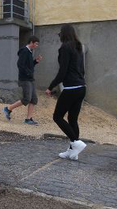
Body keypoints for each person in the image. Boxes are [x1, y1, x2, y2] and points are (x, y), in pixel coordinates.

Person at [45, 24, 86, 160]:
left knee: (57, 116)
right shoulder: (79, 46)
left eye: (60, 34)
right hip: (81, 87)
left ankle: (75, 142)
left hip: (71, 88)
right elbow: (82, 69)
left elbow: (62, 72)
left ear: (64, 34)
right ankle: (72, 151)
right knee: (72, 119)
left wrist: (50, 87)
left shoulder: (65, 48)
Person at [3, 36, 42, 125]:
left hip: (30, 79)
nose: (36, 46)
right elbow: (20, 64)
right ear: (31, 42)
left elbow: (29, 65)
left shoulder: (29, 52)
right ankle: (8, 109)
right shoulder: (24, 51)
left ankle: (28, 119)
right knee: (27, 99)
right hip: (25, 79)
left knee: (34, 99)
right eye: (36, 44)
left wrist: (35, 61)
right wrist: (28, 73)